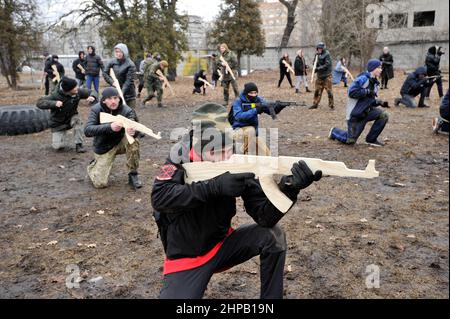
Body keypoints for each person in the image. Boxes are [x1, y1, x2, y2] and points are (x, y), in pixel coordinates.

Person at [151, 102, 323, 299]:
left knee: (272, 236)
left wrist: (290, 189)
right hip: (187, 258)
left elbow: (264, 216)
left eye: (228, 149)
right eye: (215, 153)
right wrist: (214, 186)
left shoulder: (237, 162)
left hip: (223, 245)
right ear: (197, 150)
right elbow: (159, 197)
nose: (225, 158)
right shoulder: (178, 158)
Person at [84, 87, 142, 190]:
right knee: (100, 184)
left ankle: (133, 174)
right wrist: (109, 127)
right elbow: (87, 130)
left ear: (119, 99)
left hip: (120, 142)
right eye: (110, 98)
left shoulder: (127, 110)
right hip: (104, 146)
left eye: (116, 98)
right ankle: (93, 165)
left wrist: (133, 131)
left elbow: (136, 127)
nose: (113, 101)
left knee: (133, 142)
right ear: (104, 100)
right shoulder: (96, 109)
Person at [329, 59, 389, 147]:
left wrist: (378, 102)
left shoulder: (376, 83)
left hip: (366, 112)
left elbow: (369, 100)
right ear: (373, 68)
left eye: (381, 67)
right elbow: (351, 92)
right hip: (355, 115)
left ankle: (371, 139)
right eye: (379, 67)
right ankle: (334, 131)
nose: (381, 69)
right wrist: (367, 91)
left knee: (384, 115)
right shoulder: (363, 78)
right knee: (350, 141)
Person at [36, 77, 96, 153]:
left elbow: (92, 91)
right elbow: (39, 102)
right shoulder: (55, 95)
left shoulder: (77, 92)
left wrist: (92, 96)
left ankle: (79, 145)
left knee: (78, 121)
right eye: (75, 87)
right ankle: (61, 137)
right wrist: (54, 103)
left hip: (72, 117)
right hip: (58, 122)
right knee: (58, 147)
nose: (77, 88)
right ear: (68, 89)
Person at [230, 82, 287, 156]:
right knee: (250, 130)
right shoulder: (238, 101)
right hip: (238, 131)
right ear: (246, 93)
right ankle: (239, 152)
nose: (254, 95)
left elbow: (269, 110)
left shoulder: (258, 100)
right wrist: (255, 110)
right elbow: (238, 116)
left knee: (267, 155)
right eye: (251, 93)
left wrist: (279, 107)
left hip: (253, 135)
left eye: (255, 93)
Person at [103, 43, 137, 109]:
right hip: (115, 93)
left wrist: (121, 92)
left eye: (120, 52)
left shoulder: (130, 64)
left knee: (130, 115)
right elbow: (105, 73)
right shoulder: (112, 62)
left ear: (124, 52)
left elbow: (128, 81)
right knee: (116, 114)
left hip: (129, 94)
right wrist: (112, 82)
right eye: (116, 52)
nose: (118, 54)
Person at [310, 42, 334, 110]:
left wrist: (318, 68)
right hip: (319, 76)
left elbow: (327, 65)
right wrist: (314, 68)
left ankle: (331, 105)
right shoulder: (317, 54)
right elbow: (315, 62)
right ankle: (315, 104)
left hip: (327, 76)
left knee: (329, 91)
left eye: (321, 48)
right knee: (317, 91)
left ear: (323, 48)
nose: (319, 49)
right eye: (318, 48)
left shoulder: (327, 54)